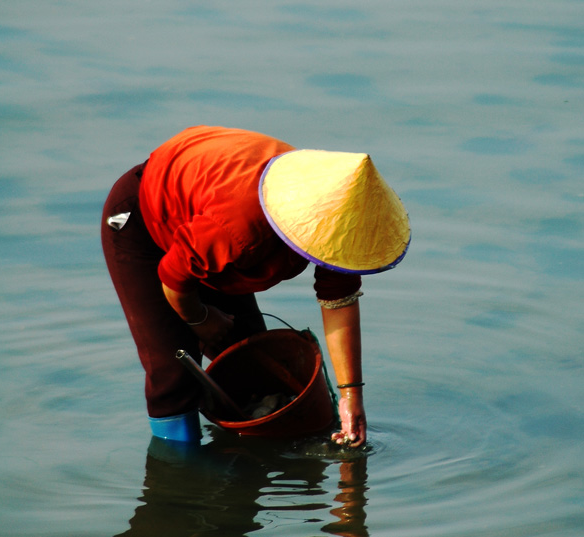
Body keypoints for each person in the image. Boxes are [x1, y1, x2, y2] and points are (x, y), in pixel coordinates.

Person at [101, 126, 410, 447]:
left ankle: (246, 468)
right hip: (142, 218)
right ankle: (179, 473)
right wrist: (201, 319)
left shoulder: (341, 219)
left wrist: (351, 398)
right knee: (173, 375)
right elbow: (173, 277)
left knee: (253, 362)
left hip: (205, 215)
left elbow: (339, 300)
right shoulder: (241, 229)